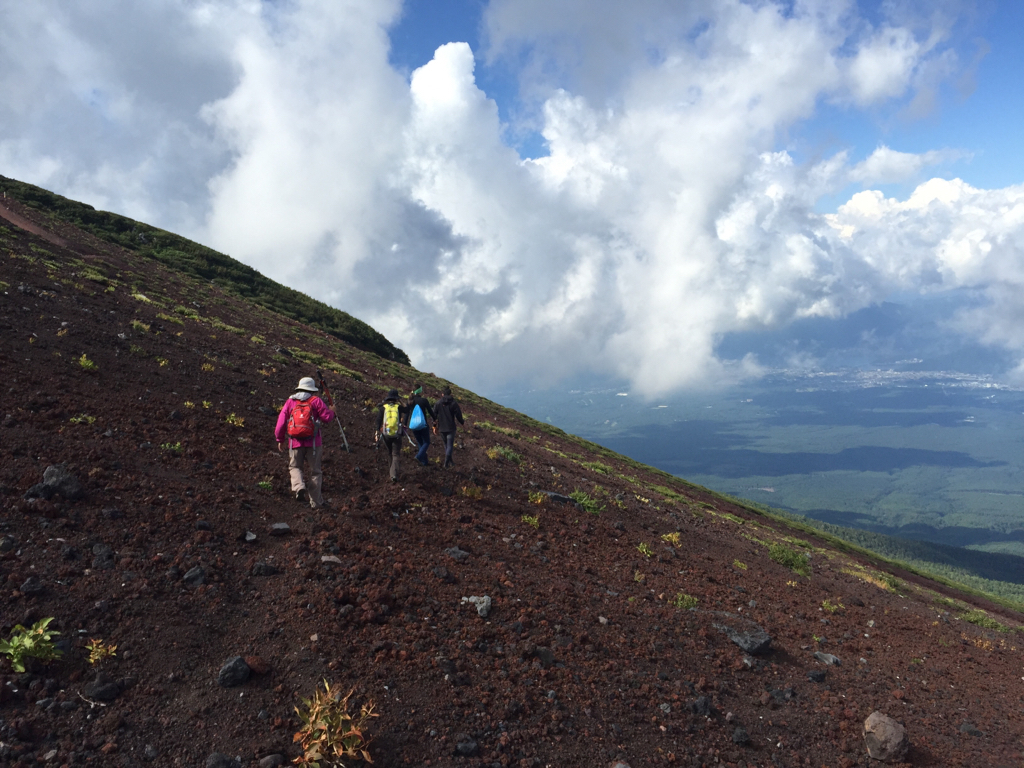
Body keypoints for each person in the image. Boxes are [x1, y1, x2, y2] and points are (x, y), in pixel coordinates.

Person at [274, 376, 336, 508]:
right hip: (313, 443)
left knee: (295, 467)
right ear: (312, 389)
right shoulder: (316, 401)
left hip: (294, 442)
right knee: (315, 472)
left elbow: (280, 423)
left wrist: (280, 439)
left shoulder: (290, 402)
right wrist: (332, 412)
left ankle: (299, 486)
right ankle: (316, 502)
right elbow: (326, 418)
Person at [376, 388, 409, 483]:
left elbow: (378, 421)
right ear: (396, 398)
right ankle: (393, 475)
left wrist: (377, 432)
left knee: (389, 453)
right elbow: (407, 410)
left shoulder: (383, 407)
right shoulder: (398, 407)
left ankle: (391, 474)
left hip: (386, 434)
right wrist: (401, 401)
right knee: (396, 454)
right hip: (396, 434)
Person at [432, 385, 465, 469]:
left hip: (442, 428)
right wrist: (462, 422)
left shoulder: (438, 403)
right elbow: (458, 414)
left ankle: (450, 462)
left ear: (442, 394)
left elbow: (434, 416)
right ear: (451, 394)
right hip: (451, 428)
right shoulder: (453, 403)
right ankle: (446, 463)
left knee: (446, 445)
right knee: (450, 445)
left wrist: (434, 426)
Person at [406, 383, 436, 466]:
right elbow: (430, 411)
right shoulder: (424, 400)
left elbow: (406, 413)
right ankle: (419, 457)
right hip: (423, 425)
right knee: (426, 442)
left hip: (413, 426)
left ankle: (424, 462)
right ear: (420, 391)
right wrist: (435, 419)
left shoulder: (410, 401)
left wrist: (405, 424)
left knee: (420, 443)